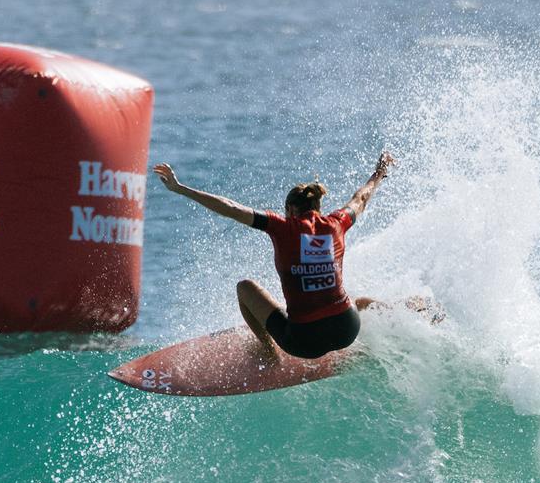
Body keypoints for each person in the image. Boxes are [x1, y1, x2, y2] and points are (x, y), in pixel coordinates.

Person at [153, 153, 395, 360]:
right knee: (358, 303)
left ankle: (269, 353)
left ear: (290, 210)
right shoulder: (337, 222)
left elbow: (231, 208)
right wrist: (379, 172)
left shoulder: (281, 226)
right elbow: (361, 197)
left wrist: (180, 188)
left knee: (245, 288)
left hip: (303, 341)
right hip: (346, 329)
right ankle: (399, 311)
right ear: (317, 208)